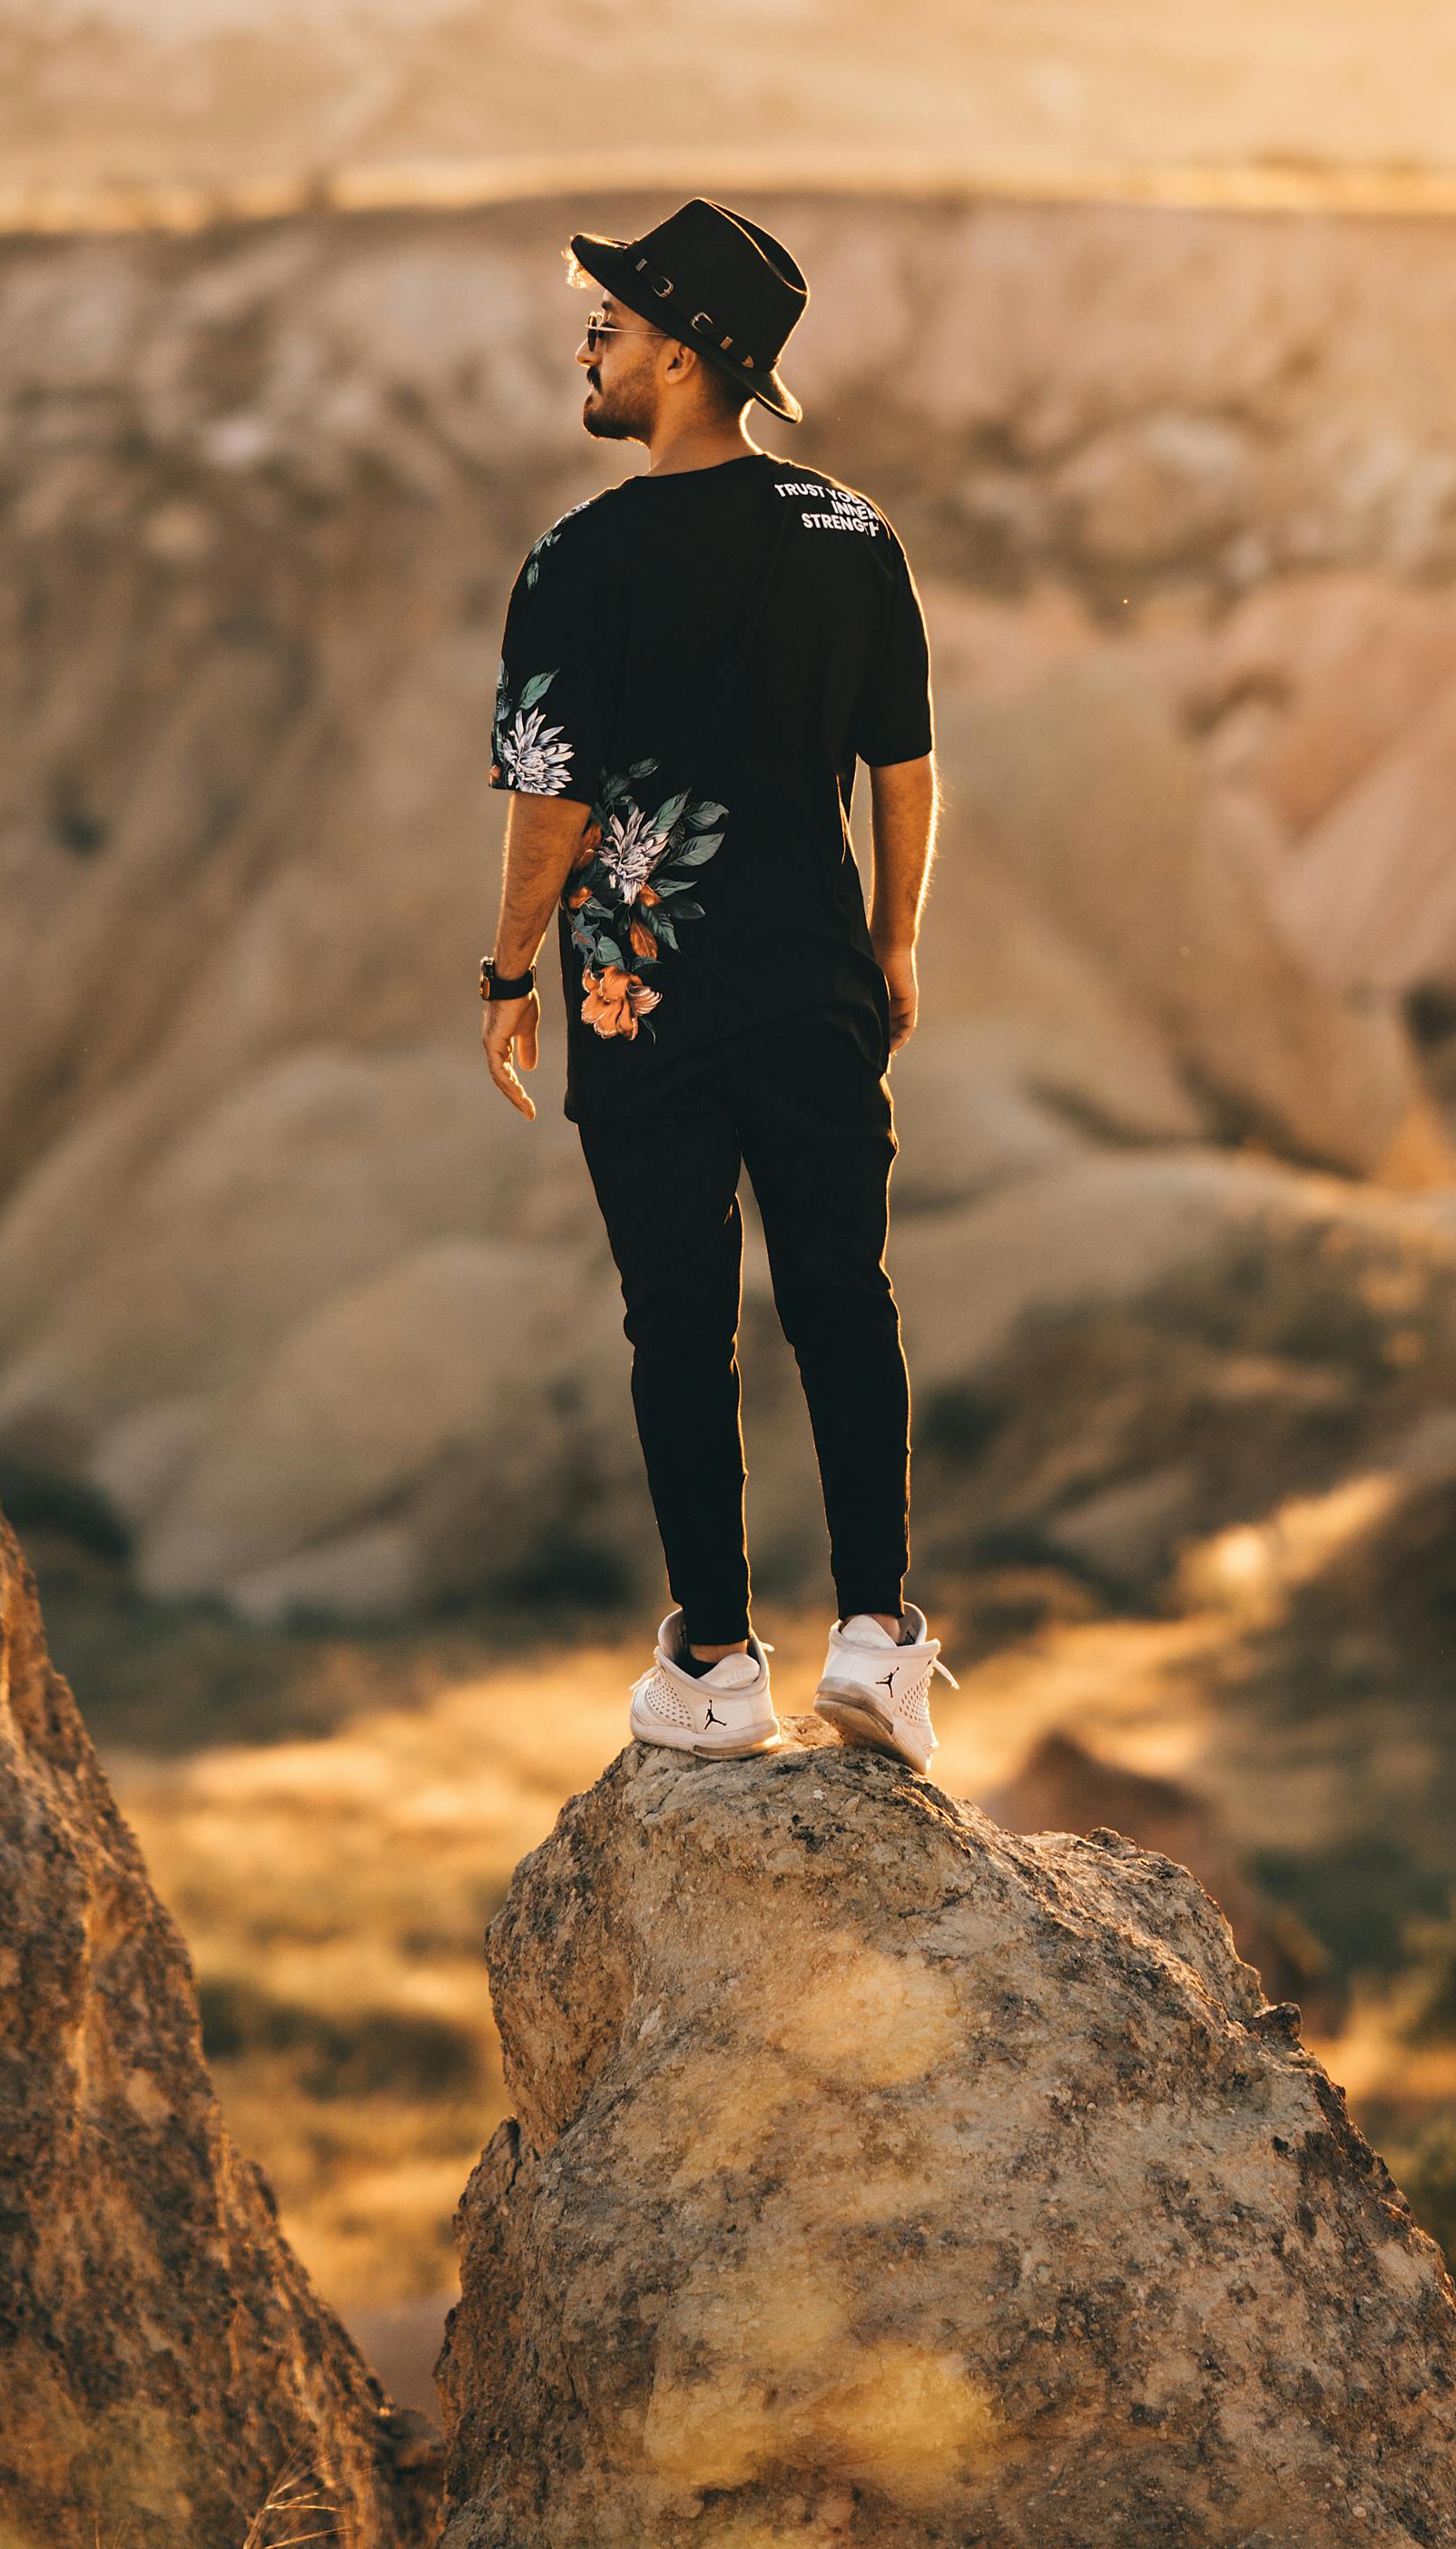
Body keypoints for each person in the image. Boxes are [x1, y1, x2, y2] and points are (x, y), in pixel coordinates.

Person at [477, 198, 951, 1772]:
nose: (586, 354)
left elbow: (550, 799)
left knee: (681, 1320)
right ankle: (880, 1638)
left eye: (607, 332)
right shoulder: (852, 534)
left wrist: (509, 973)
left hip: (646, 1006)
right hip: (814, 981)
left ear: (680, 359)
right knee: (842, 1296)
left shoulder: (579, 559)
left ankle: (716, 1665)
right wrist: (889, 946)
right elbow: (904, 764)